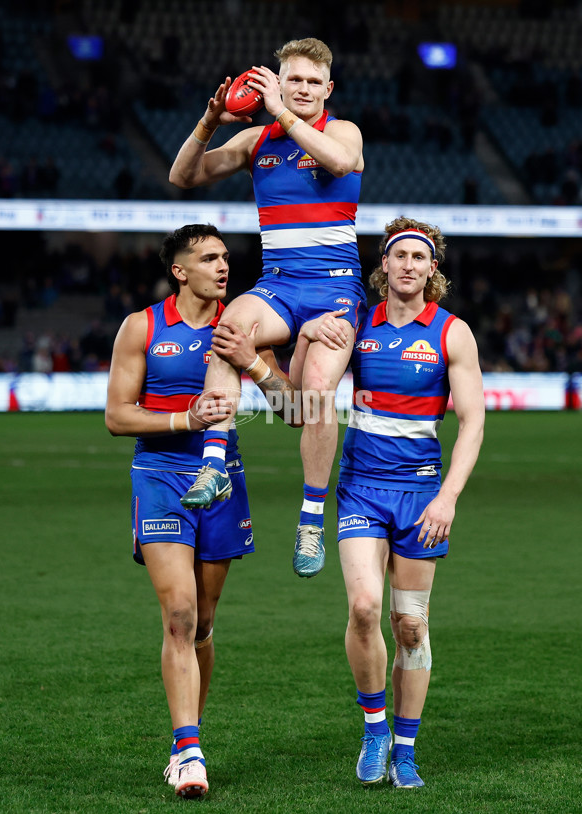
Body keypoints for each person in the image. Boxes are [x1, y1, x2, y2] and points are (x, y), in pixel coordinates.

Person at [105, 224, 303, 798]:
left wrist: (258, 365)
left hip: (223, 482)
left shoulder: (244, 327)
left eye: (225, 257)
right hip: (161, 477)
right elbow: (118, 416)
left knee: (205, 624)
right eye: (209, 258)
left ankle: (183, 741)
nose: (223, 266)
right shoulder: (142, 327)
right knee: (180, 616)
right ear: (180, 270)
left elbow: (296, 412)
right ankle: (190, 751)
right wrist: (183, 421)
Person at [168, 37, 365, 579]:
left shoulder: (343, 132)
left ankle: (310, 518)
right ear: (277, 81)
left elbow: (342, 162)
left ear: (327, 88)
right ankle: (213, 464)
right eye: (290, 80)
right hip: (280, 285)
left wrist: (277, 109)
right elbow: (182, 177)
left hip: (334, 289)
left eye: (310, 81)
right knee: (228, 326)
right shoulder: (257, 140)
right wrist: (210, 121)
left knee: (314, 400)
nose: (301, 89)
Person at [336, 217, 485, 788]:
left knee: (411, 627)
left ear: (432, 269)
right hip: (361, 490)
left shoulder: (452, 333)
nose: (408, 265)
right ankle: (375, 731)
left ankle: (406, 749)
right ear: (383, 266)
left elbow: (472, 423)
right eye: (398, 255)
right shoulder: (357, 324)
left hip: (423, 495)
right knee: (365, 608)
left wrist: (447, 497)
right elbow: (308, 390)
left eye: (418, 257)